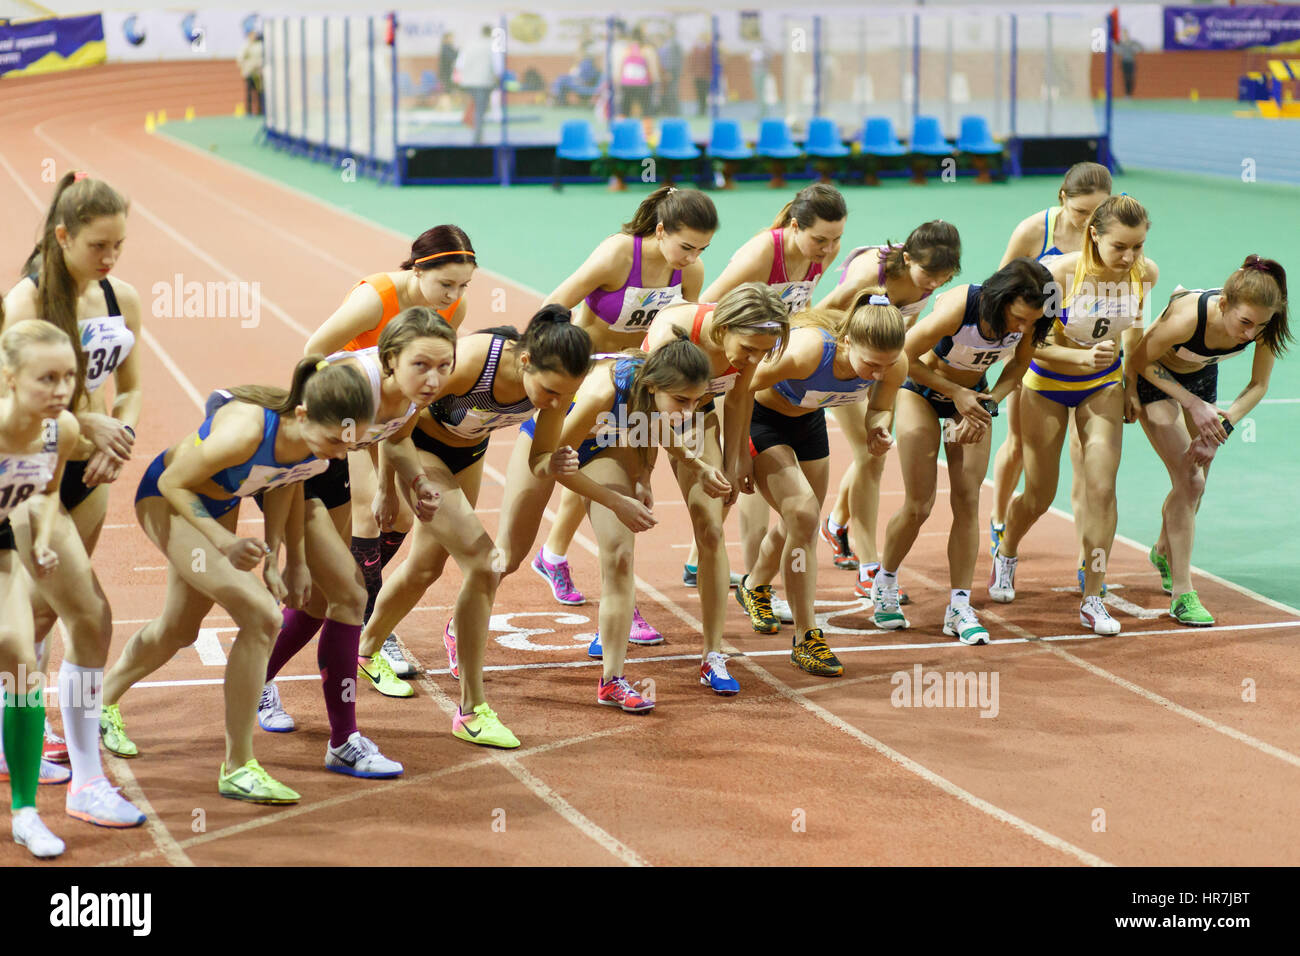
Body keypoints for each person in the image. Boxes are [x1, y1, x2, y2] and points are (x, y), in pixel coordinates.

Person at [101, 359, 374, 804]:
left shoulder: (315, 445)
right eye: (334, 441)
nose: (340, 454)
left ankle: (102, 700)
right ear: (302, 415)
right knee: (263, 615)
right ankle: (239, 766)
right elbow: (173, 482)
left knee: (179, 628)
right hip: (170, 500)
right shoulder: (246, 430)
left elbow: (288, 481)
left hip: (216, 505)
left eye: (349, 445)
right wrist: (224, 541)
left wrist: (286, 561)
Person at [355, 307, 591, 750]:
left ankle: (365, 650)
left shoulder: (557, 393)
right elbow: (395, 420)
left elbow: (540, 457)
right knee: (485, 565)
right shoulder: (471, 362)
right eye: (550, 391)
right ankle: (471, 711)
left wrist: (554, 461)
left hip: (467, 456)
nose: (556, 402)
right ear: (525, 362)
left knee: (425, 568)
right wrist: (387, 487)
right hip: (417, 449)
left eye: (567, 395)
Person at [3, 171, 148, 826]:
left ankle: (24, 737)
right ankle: (84, 780)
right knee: (79, 615)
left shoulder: (122, 296)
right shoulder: (26, 302)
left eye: (119, 244)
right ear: (62, 236)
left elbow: (134, 386)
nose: (110, 259)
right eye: (98, 245)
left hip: (87, 478)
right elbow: (16, 407)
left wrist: (121, 437)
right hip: (34, 476)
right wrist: (86, 426)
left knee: (48, 618)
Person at [251, 308, 451, 774]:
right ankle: (342, 741)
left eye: (445, 366)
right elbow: (295, 467)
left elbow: (396, 435)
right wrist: (292, 557)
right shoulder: (351, 388)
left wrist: (413, 483)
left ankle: (254, 677)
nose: (434, 377)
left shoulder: (414, 392)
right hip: (289, 470)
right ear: (388, 360)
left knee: (324, 601)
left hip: (329, 465)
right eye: (422, 365)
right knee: (347, 594)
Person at [532, 186, 716, 646]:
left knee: (613, 478)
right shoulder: (619, 255)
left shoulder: (689, 273)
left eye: (702, 249)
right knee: (573, 467)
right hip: (590, 382)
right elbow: (553, 307)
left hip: (638, 388)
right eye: (686, 246)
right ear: (660, 230)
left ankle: (568, 566)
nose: (691, 258)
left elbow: (683, 337)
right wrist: (550, 368)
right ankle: (547, 556)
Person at [304, 225, 475, 682]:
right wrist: (327, 419)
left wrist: (394, 474)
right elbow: (312, 352)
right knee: (366, 513)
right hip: (354, 402)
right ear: (419, 270)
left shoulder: (452, 308)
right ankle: (362, 630)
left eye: (463, 285)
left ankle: (361, 603)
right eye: (446, 284)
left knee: (397, 518)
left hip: (398, 409)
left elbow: (431, 374)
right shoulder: (376, 298)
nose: (454, 295)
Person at [507, 335, 715, 710]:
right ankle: (461, 626)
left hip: (604, 444)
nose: (688, 411)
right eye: (682, 401)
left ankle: (612, 680)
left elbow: (654, 422)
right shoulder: (601, 393)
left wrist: (656, 474)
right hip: (548, 449)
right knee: (508, 556)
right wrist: (616, 501)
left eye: (696, 401)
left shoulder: (654, 393)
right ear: (653, 386)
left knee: (620, 557)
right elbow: (555, 463)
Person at [990, 195, 1160, 636]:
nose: (1129, 257)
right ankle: (1006, 549)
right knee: (1040, 494)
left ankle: (1094, 596)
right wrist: (1078, 358)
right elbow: (1032, 345)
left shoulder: (1145, 275)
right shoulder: (1060, 274)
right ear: (1094, 236)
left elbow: (1134, 335)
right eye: (1120, 246)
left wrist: (1132, 387)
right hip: (1046, 386)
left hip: (1103, 387)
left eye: (1138, 246)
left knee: (1101, 488)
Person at [871, 259, 1054, 643]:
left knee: (968, 501)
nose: (1022, 328)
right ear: (1000, 299)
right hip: (920, 392)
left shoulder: (1032, 318)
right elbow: (903, 357)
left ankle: (959, 606)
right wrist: (955, 391)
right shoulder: (962, 307)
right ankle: (884, 580)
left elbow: (1019, 368)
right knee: (919, 504)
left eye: (1030, 321)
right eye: (1017, 318)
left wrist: (987, 405)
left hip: (971, 400)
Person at [735, 298, 906, 676]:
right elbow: (738, 387)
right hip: (762, 418)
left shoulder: (893, 362)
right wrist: (737, 453)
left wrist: (877, 426)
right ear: (846, 343)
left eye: (887, 365)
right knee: (804, 514)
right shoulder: (807, 351)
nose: (879, 374)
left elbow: (881, 404)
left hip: (809, 421)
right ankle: (806, 638)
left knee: (802, 523)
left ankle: (754, 585)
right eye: (871, 365)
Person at [633, 284, 790, 693]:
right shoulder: (674, 331)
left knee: (712, 528)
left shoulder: (752, 345)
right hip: (636, 418)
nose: (753, 358)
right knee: (623, 520)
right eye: (749, 348)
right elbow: (647, 408)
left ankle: (712, 654)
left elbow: (740, 397)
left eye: (763, 351)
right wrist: (646, 472)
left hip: (696, 414)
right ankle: (618, 613)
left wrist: (738, 456)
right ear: (725, 327)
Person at [701, 183, 847, 620]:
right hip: (733, 369)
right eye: (820, 238)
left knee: (775, 495)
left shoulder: (823, 253)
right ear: (795, 225)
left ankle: (749, 581)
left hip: (774, 373)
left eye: (837, 238)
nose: (829, 248)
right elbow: (708, 309)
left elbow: (799, 308)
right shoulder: (761, 254)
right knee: (738, 480)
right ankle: (737, 577)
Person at [1128, 257, 1290, 625]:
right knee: (1190, 481)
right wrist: (1193, 404)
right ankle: (1183, 594)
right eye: (1245, 323)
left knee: (1194, 485)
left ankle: (1163, 551)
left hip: (1201, 379)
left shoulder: (1262, 324)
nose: (1251, 334)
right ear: (1223, 305)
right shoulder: (1189, 317)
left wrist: (1224, 425)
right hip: (1155, 379)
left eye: (1260, 325)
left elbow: (1259, 385)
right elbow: (1138, 359)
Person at [816, 221, 962, 592]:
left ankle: (836, 523)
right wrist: (844, 362)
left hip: (881, 363)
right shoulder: (871, 275)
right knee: (871, 456)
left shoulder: (927, 279)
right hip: (839, 360)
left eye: (943, 279)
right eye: (928, 274)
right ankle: (869, 564)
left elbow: (902, 332)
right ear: (908, 258)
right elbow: (821, 315)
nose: (933, 284)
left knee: (875, 450)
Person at [989, 163, 1112, 591]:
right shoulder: (1033, 232)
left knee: (1085, 460)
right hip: (1033, 352)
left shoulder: (1110, 239)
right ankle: (1000, 519)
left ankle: (1086, 559)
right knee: (1019, 444)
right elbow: (998, 291)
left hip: (1088, 364)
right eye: (1081, 212)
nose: (1087, 222)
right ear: (1063, 198)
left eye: (1097, 214)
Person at [1, 319, 97, 856]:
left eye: (68, 376)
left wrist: (38, 540)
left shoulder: (63, 429)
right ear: (9, 378)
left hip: (2, 548)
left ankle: (24, 812)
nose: (61, 390)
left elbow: (45, 487)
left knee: (20, 665)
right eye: (46, 379)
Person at [456, 25, 499, 145]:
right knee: (480, 110)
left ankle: (477, 135)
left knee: (474, 108)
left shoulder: (470, 45)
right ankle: (477, 139)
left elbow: (460, 64)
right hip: (483, 83)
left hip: (468, 83)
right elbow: (497, 66)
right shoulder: (491, 46)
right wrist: (497, 79)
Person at [616, 27, 660, 118]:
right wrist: (656, 82)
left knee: (625, 110)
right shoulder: (647, 50)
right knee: (646, 110)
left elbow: (620, 69)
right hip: (643, 85)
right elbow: (653, 69)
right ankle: (648, 131)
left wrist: (618, 83)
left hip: (627, 84)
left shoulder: (625, 50)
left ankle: (623, 129)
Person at [237, 29, 264, 116]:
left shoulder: (260, 45)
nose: (253, 37)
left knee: (260, 92)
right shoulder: (246, 46)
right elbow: (240, 58)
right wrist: (244, 67)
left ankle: (261, 110)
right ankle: (249, 111)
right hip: (249, 72)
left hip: (258, 73)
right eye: (251, 35)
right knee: (249, 93)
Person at [1116, 29, 1143, 98]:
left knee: (1131, 78)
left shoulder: (1132, 42)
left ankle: (1130, 93)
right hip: (1124, 62)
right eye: (1123, 34)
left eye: (1125, 34)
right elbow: (1117, 50)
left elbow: (1140, 47)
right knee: (1125, 78)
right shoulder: (1121, 43)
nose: (1125, 35)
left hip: (1131, 62)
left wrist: (1134, 50)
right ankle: (1126, 94)